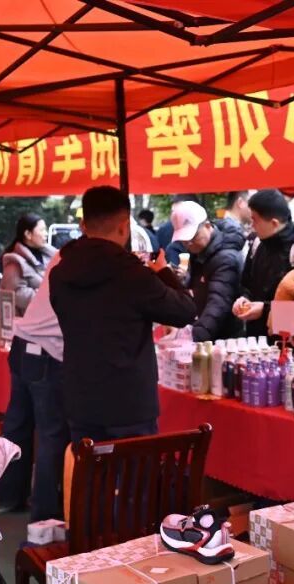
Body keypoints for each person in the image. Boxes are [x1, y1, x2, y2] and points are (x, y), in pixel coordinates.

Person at [50, 186, 196, 443]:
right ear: (124, 227)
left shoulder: (60, 273)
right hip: (129, 404)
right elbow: (185, 311)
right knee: (134, 469)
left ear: (84, 225)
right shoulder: (133, 275)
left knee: (89, 469)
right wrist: (163, 272)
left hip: (81, 398)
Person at [0, 246, 70, 521]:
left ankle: (8, 497)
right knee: (52, 435)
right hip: (48, 351)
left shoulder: (64, 254)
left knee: (17, 427)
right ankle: (45, 514)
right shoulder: (89, 260)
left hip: (23, 345)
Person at [170, 200, 245, 342]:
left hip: (225, 340)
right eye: (184, 240)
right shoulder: (200, 254)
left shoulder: (225, 258)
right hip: (208, 334)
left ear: (207, 226)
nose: (188, 244)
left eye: (193, 237)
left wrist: (193, 337)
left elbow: (218, 304)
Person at [233, 189, 294, 337]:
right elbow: (246, 283)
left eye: (255, 220)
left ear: (274, 223)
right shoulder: (257, 243)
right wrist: (244, 298)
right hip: (254, 335)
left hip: (283, 338)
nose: (252, 225)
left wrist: (265, 310)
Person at [0, 213, 56, 317]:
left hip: (49, 318)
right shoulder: (14, 261)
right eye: (42, 230)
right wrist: (48, 295)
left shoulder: (52, 255)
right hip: (28, 321)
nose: (46, 233)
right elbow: (16, 294)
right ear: (28, 234)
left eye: (46, 229)